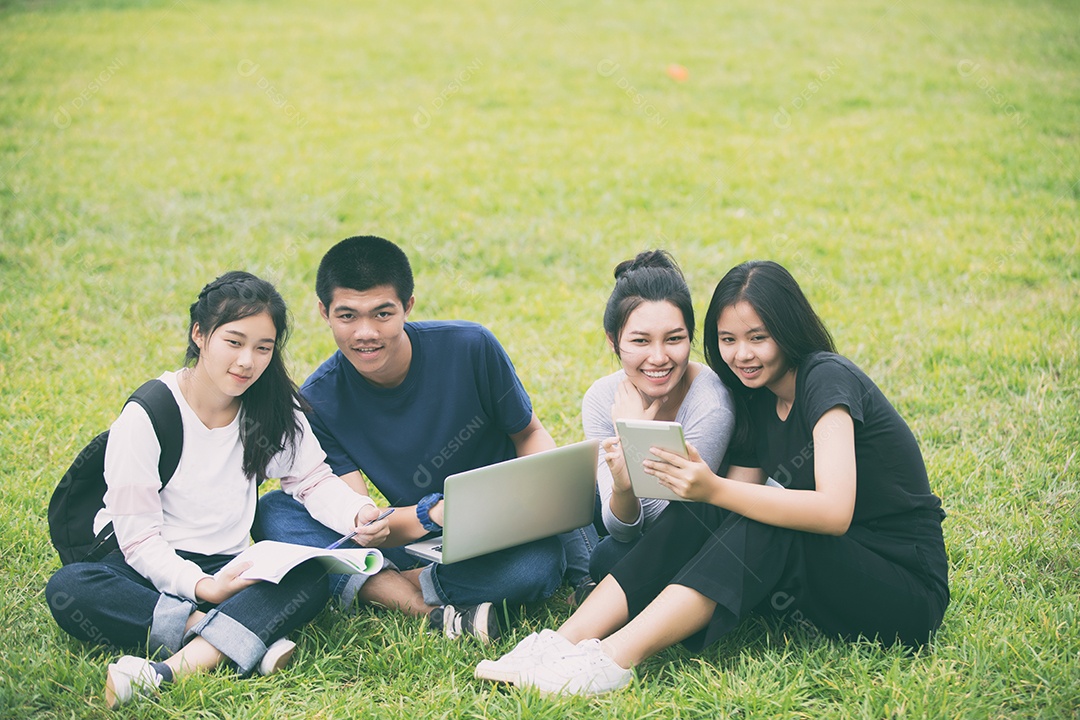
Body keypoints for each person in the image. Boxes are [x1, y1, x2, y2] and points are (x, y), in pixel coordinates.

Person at [475, 260, 950, 695]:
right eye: (728, 340)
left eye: (758, 337)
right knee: (706, 509)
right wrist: (703, 490)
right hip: (835, 577)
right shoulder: (756, 398)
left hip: (904, 590)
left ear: (789, 330)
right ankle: (560, 642)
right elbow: (718, 508)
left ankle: (612, 660)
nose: (742, 354)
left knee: (752, 511)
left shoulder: (826, 379)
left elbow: (834, 512)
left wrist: (715, 487)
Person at [45, 272, 391, 708]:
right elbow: (139, 540)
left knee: (310, 578)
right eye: (234, 341)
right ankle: (220, 639)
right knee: (71, 587)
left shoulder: (269, 407)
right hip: (143, 565)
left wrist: (356, 512)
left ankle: (168, 668)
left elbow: (312, 480)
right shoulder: (148, 414)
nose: (248, 361)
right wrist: (202, 588)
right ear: (200, 334)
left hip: (227, 563)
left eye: (263, 348)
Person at [254, 235, 578, 643]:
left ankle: (376, 586)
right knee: (275, 511)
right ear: (324, 312)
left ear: (408, 306)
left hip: (501, 533)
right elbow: (361, 523)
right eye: (348, 316)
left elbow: (529, 433)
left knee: (537, 564)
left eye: (382, 314)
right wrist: (433, 515)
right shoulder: (319, 400)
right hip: (410, 535)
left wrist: (535, 491)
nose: (366, 333)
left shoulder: (470, 347)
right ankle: (428, 609)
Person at [581, 250, 734, 585]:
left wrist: (638, 435)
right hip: (631, 524)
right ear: (613, 342)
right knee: (573, 498)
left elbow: (660, 526)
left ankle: (588, 578)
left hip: (692, 536)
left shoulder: (711, 403)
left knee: (608, 558)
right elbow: (621, 528)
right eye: (640, 341)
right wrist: (623, 485)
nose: (659, 357)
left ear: (690, 336)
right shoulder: (601, 398)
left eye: (675, 339)